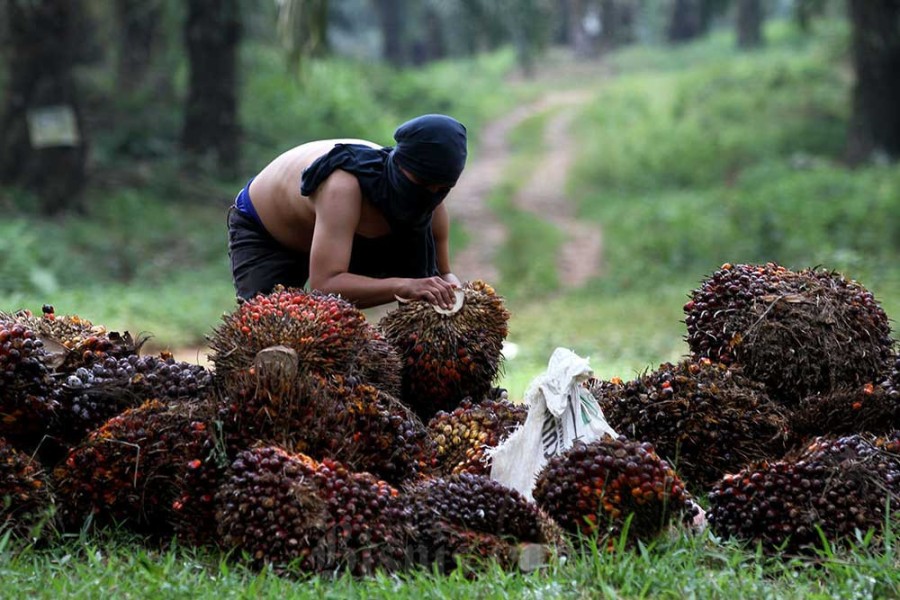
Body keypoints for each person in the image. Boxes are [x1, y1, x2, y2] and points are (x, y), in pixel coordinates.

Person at [227, 114, 467, 310]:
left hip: (336, 238)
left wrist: (458, 296)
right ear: (400, 164)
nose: (431, 193)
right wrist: (405, 286)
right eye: (423, 182)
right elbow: (325, 286)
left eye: (442, 188)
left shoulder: (430, 202)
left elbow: (442, 275)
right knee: (271, 328)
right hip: (270, 231)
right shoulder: (343, 186)